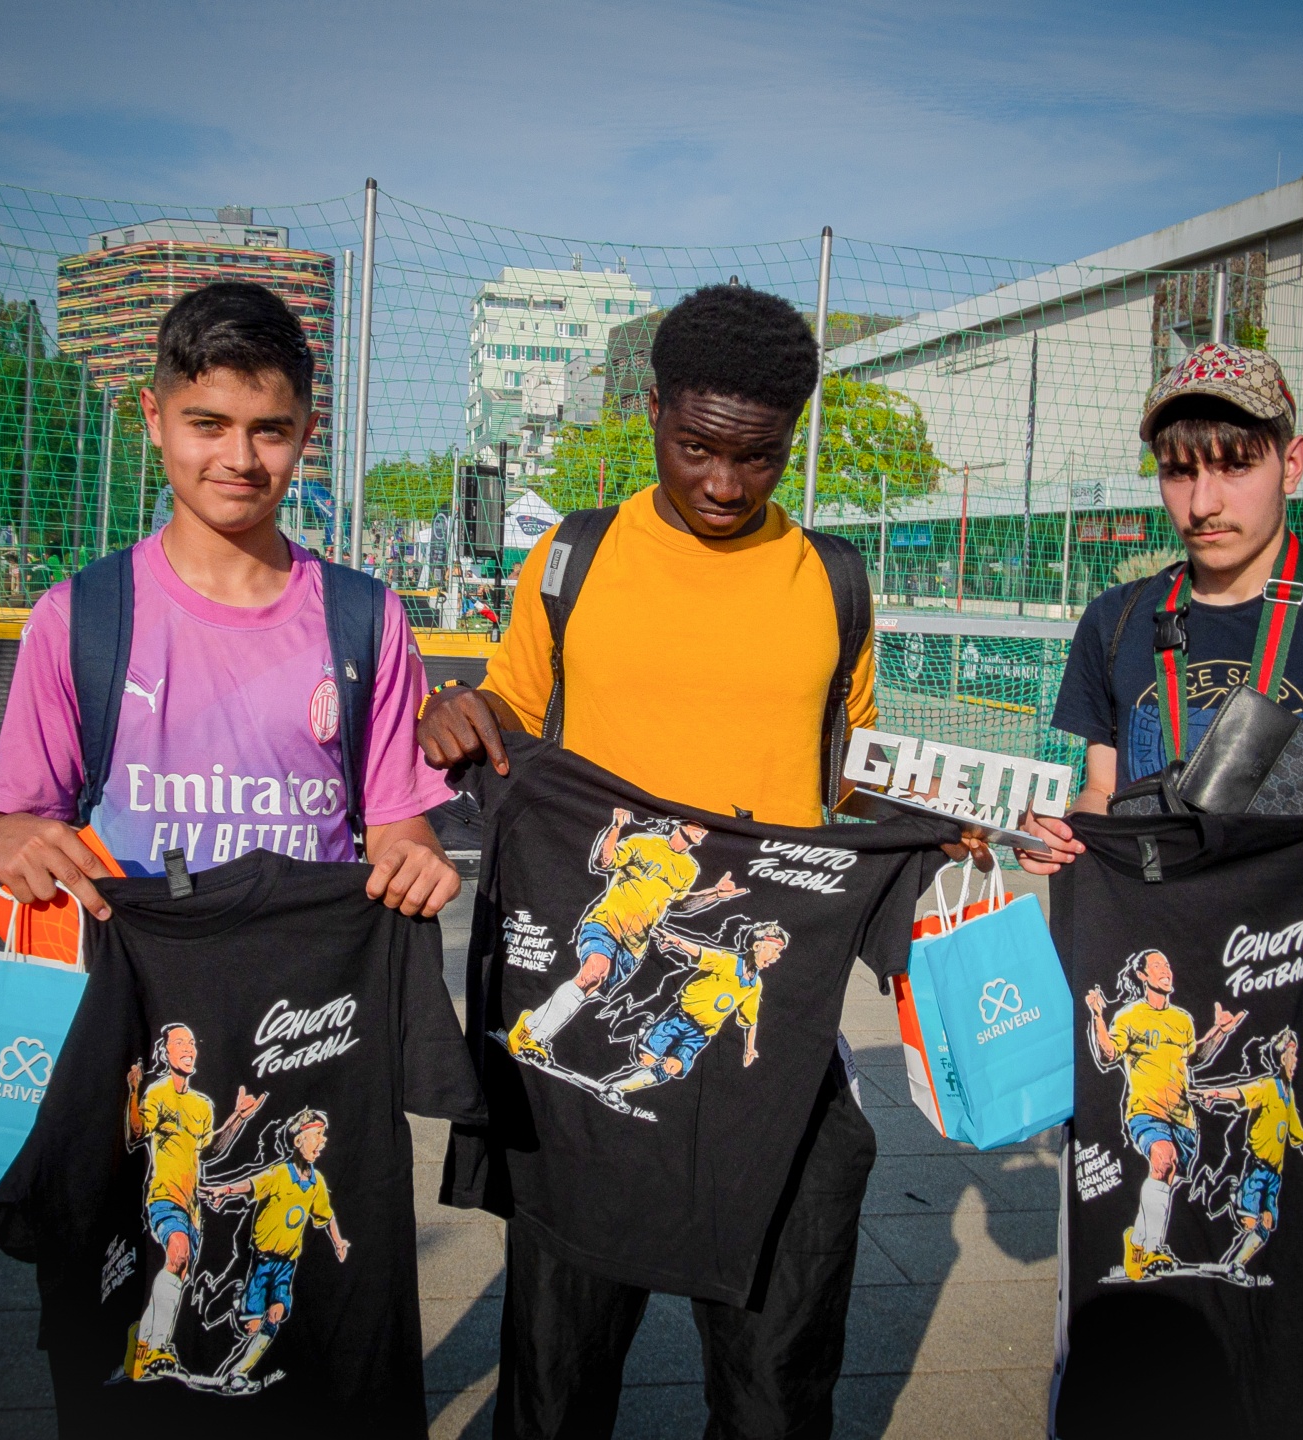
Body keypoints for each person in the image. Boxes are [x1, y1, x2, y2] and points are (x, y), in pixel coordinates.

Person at [417, 283, 976, 1439]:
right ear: (654, 411)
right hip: (593, 1064)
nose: (724, 483)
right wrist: (455, 712)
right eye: (697, 448)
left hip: (771, 1034)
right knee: (555, 1390)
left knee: (776, 1396)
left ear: (792, 439)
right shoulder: (576, 558)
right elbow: (508, 707)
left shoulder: (832, 581)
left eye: (757, 457)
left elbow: (850, 777)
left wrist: (945, 823)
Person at [0, 280, 459, 918]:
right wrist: (5, 837)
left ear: (307, 434)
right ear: (155, 418)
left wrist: (416, 861)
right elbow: (23, 821)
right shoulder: (77, 617)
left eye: (269, 430)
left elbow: (398, 826)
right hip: (134, 960)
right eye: (208, 424)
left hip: (308, 968)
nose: (239, 459)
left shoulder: (367, 618)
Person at [1021, 341, 1303, 880]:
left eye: (1234, 466)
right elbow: (1101, 791)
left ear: (1291, 465)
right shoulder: (1114, 618)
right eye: (1179, 471)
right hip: (1153, 926)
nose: (1202, 504)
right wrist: (1062, 834)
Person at [506, 807, 741, 1062]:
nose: (702, 831)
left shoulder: (689, 869)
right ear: (680, 822)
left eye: (705, 829)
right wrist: (616, 827)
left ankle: (528, 1027)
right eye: (698, 825)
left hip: (634, 947)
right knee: (593, 973)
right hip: (605, 924)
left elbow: (680, 905)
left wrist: (715, 894)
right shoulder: (643, 842)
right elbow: (603, 862)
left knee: (588, 987)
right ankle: (536, 1039)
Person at [1084, 949, 1245, 1281]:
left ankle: (1137, 1245)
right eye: (1157, 966)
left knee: (1166, 1177)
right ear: (1143, 976)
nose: (1165, 971)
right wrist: (1097, 1015)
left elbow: (1196, 1058)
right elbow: (1108, 1054)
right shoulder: (1130, 1016)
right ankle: (1154, 1249)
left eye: (1167, 965)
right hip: (1145, 1111)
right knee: (1163, 1160)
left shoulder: (1182, 1019)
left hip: (1183, 1118)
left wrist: (1219, 1031)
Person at [124, 1023, 262, 1381]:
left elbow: (211, 1150)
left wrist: (238, 1118)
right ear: (165, 1052)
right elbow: (135, 1134)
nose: (188, 1049)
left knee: (178, 1270)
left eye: (191, 1043)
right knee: (178, 1255)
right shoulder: (157, 1093)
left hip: (192, 1207)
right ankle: (158, 1348)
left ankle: (142, 1346)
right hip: (164, 1195)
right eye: (179, 1043)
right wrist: (134, 1090)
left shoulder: (201, 1105)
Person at [200, 1108, 351, 1394]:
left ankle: (238, 1372)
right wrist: (224, 1190)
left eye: (324, 1135)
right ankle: (237, 1300)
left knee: (276, 1314)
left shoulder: (316, 1183)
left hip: (286, 1264)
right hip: (263, 1261)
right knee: (251, 1326)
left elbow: (326, 1215)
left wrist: (338, 1241)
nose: (323, 1141)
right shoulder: (279, 1174)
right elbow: (251, 1183)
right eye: (317, 1135)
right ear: (298, 1140)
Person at [1194, 1027, 1303, 1284]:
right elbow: (1241, 1091)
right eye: (1293, 1054)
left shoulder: (1288, 1096)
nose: (1296, 1060)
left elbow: (1300, 1137)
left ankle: (1236, 1264)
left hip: (1274, 1176)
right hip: (1257, 1169)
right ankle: (1233, 1196)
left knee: (1266, 1225)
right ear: (1282, 1057)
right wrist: (1215, 1093)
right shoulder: (1267, 1087)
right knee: (1250, 1223)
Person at [607, 919, 789, 1094]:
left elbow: (750, 1020)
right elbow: (701, 952)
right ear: (757, 946)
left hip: (700, 1034)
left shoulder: (755, 985)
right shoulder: (727, 961)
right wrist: (677, 941)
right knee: (645, 1060)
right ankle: (644, 1027)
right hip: (678, 1019)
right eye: (775, 950)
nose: (777, 956)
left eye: (780, 952)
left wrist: (749, 1048)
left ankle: (617, 1089)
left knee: (673, 1067)